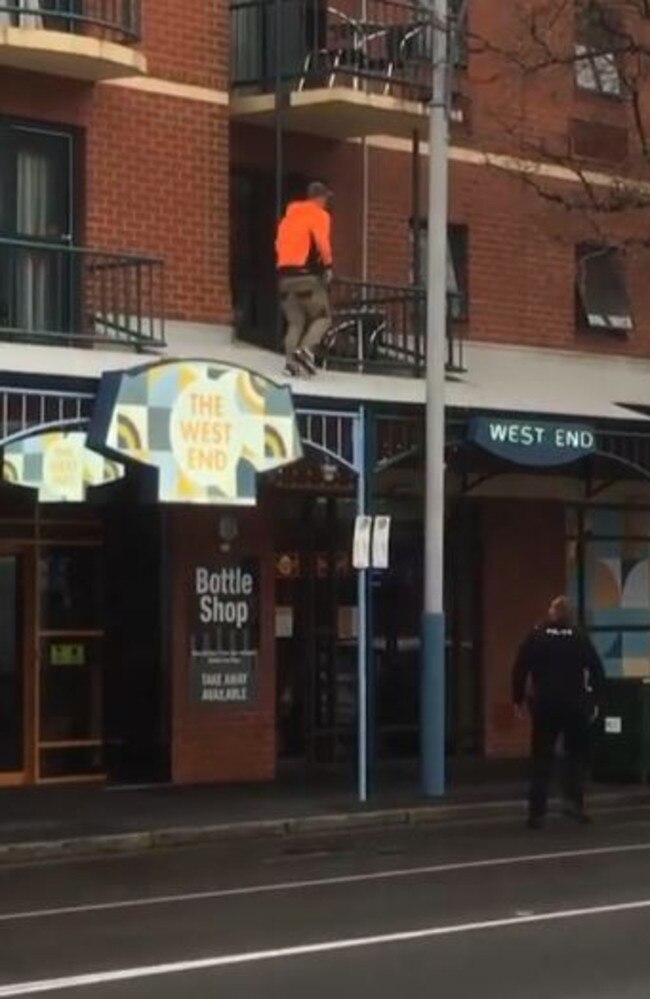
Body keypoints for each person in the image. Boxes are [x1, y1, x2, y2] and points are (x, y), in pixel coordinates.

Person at [512, 595, 605, 830]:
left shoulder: (537, 635)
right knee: (576, 756)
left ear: (553, 613)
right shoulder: (580, 637)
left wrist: (518, 699)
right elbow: (597, 670)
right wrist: (594, 700)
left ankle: (537, 813)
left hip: (545, 705)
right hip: (575, 706)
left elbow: (520, 667)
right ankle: (574, 803)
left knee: (542, 757)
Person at [276, 181, 333, 377]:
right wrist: (328, 266)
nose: (326, 203)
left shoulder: (287, 219)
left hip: (284, 279)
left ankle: (290, 365)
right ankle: (306, 351)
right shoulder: (319, 215)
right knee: (323, 317)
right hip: (305, 276)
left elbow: (278, 246)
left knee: (295, 322)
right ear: (320, 198)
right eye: (326, 198)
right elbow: (322, 243)